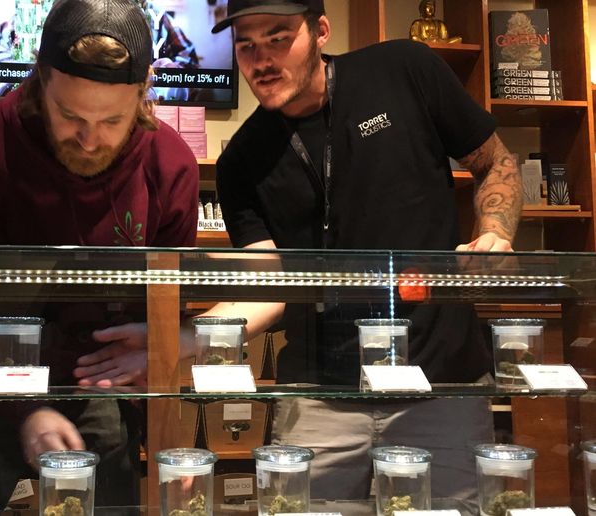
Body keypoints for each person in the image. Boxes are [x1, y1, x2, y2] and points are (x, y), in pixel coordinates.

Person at [77, 0, 522, 505]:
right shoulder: (241, 160)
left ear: (322, 32)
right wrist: (174, 338)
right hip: (317, 395)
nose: (261, 59)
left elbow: (495, 162)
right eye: (246, 45)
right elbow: (268, 288)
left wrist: (495, 231)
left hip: (442, 383)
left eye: (278, 38)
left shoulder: (405, 69)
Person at [0, 0, 200, 510]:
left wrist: (154, 364)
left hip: (95, 375)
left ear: (143, 93)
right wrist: (24, 409)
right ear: (40, 80)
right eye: (70, 116)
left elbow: (166, 302)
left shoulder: (170, 163)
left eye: (112, 120)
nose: (89, 140)